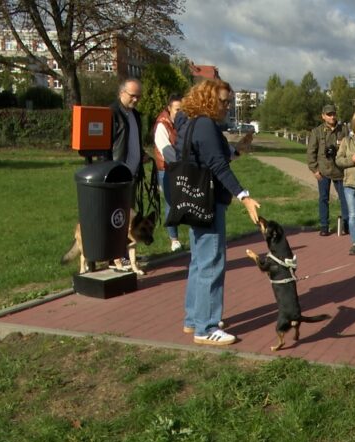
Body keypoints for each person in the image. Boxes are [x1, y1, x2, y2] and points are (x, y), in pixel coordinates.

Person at [174, 79, 260, 346]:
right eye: (223, 101)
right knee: (212, 263)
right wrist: (244, 196)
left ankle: (193, 319)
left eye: (229, 101)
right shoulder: (206, 125)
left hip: (193, 199)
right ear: (208, 99)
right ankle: (206, 327)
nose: (227, 106)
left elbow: (210, 158)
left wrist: (237, 150)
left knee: (199, 262)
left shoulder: (190, 122)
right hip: (209, 202)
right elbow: (218, 167)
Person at [307, 104, 349, 236]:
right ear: (323, 116)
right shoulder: (317, 132)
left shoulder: (344, 130)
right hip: (323, 170)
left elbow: (349, 148)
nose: (332, 117)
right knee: (323, 198)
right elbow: (311, 152)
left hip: (339, 171)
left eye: (333, 114)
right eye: (329, 114)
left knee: (344, 199)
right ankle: (324, 226)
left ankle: (346, 225)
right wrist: (315, 170)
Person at [152, 94, 183, 252]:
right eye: (177, 109)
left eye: (182, 109)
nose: (180, 112)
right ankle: (174, 239)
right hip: (167, 168)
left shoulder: (182, 123)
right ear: (169, 109)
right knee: (171, 203)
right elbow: (166, 150)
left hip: (181, 167)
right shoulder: (162, 125)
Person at [335, 111, 355, 255]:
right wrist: (351, 161)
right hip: (350, 183)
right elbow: (338, 160)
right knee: (354, 215)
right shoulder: (346, 141)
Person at [109, 78, 146, 182]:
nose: (135, 100)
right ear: (122, 93)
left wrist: (141, 153)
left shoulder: (135, 115)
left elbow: (132, 141)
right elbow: (105, 149)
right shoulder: (111, 113)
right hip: (116, 176)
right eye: (132, 96)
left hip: (132, 176)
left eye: (138, 96)